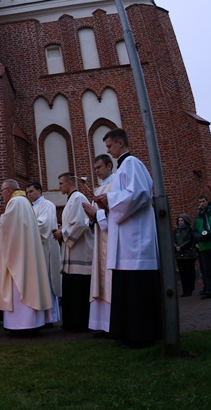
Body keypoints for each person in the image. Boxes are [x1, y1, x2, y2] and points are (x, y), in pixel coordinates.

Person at [94, 128, 161, 347]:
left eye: (110, 146)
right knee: (127, 288)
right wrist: (108, 203)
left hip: (136, 241)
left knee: (137, 290)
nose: (109, 150)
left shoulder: (132, 164)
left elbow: (140, 193)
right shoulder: (125, 167)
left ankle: (140, 335)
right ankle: (130, 333)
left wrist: (110, 199)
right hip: (127, 240)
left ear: (120, 143)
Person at [0, 179, 52, 335]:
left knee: (19, 287)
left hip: (18, 256)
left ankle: (21, 325)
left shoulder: (15, 203)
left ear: (8, 190)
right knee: (29, 284)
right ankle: (33, 323)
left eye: (2, 192)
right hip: (26, 253)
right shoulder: (25, 202)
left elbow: (7, 227)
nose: (1, 196)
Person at [83, 154, 115, 334]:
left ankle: (112, 322)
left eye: (99, 168)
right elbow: (98, 217)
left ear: (109, 166)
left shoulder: (116, 184)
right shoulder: (98, 189)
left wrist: (98, 215)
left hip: (112, 241)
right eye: (95, 169)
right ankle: (101, 324)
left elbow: (117, 212)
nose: (97, 172)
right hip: (100, 239)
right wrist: (91, 218)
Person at [57, 172, 92, 332]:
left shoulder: (78, 198)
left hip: (80, 251)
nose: (59, 187)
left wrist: (62, 233)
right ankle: (72, 323)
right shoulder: (72, 199)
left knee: (79, 289)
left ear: (70, 183)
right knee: (72, 287)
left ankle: (80, 323)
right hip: (71, 251)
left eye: (61, 183)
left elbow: (80, 224)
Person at [26, 181, 62, 325]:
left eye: (32, 191)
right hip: (36, 250)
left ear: (40, 191)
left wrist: (25, 226)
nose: (29, 195)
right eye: (27, 192)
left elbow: (43, 224)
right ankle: (41, 317)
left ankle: (51, 317)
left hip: (46, 248)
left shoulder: (47, 205)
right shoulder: (29, 208)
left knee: (48, 281)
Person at [173, 214, 197, 297]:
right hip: (179, 254)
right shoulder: (176, 230)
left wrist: (181, 247)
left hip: (188, 253)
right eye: (179, 220)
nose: (180, 222)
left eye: (182, 220)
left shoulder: (189, 229)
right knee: (182, 273)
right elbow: (173, 240)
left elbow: (190, 240)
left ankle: (189, 289)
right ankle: (185, 289)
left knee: (189, 272)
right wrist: (176, 247)